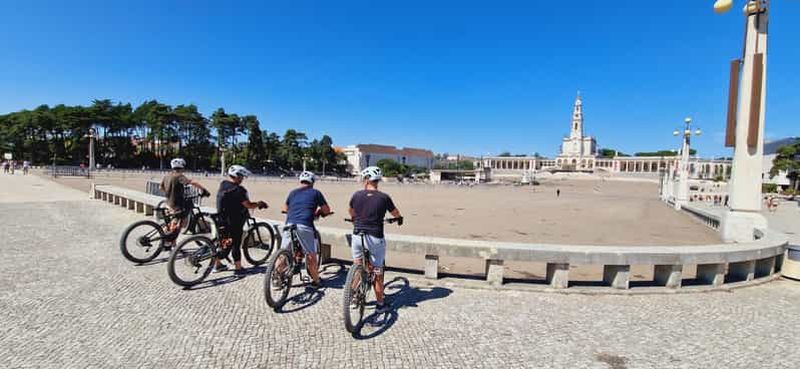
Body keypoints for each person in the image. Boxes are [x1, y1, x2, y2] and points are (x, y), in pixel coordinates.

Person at [348, 166, 403, 312]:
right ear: (377, 181)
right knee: (378, 271)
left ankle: (353, 297)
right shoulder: (384, 197)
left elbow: (351, 211)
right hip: (375, 237)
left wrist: (356, 219)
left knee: (358, 265)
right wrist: (398, 219)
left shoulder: (356, 195)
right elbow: (395, 212)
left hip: (357, 235)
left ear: (366, 180)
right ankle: (380, 304)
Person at [280, 171, 331, 287]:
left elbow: (285, 208)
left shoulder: (292, 193)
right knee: (311, 255)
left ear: (300, 181)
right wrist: (319, 212)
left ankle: (276, 279)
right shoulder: (316, 193)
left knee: (283, 253)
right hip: (304, 225)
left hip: (289, 224)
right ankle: (316, 280)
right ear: (312, 182)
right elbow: (326, 210)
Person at [215, 165, 268, 273]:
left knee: (223, 242)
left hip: (221, 218)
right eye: (242, 177)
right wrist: (259, 204)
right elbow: (248, 205)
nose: (242, 179)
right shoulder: (239, 190)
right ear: (237, 176)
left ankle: (218, 264)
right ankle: (238, 268)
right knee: (235, 243)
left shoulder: (224, 184)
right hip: (234, 221)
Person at [159, 158, 210, 249]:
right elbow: (192, 182)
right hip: (176, 205)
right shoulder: (179, 176)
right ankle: (171, 244)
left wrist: (170, 193)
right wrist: (204, 190)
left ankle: (169, 243)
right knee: (180, 223)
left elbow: (161, 188)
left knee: (171, 223)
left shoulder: (167, 175)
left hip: (168, 203)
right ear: (182, 167)